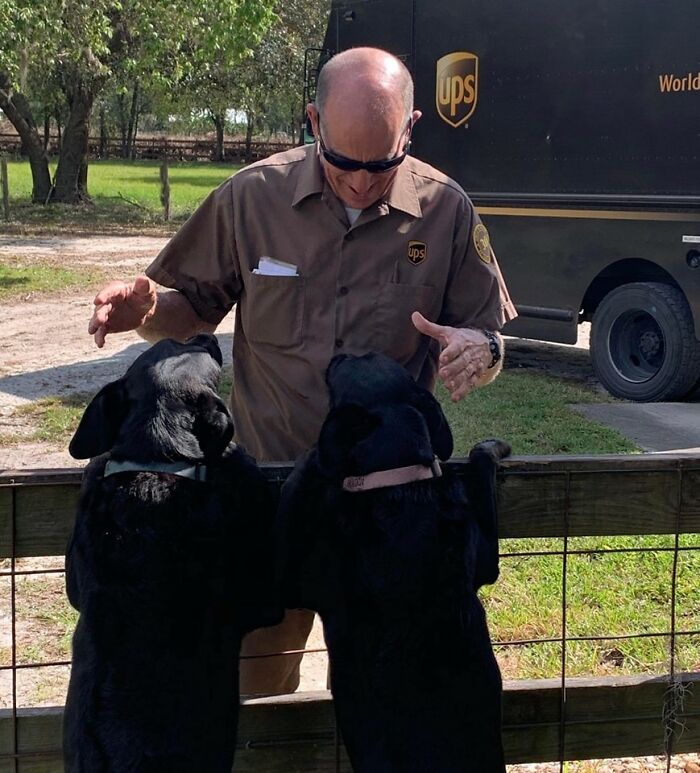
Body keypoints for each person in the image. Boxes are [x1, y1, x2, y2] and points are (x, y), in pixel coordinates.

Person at [88, 47, 517, 695]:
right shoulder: (251, 199)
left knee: (388, 701)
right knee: (255, 694)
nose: (361, 182)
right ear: (314, 120)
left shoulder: (447, 211)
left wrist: (481, 352)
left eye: (383, 163)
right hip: (269, 496)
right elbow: (191, 309)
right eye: (344, 161)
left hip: (386, 507)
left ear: (411, 129)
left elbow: (489, 340)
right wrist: (147, 309)